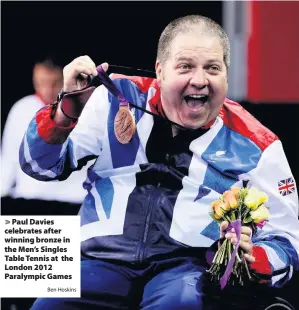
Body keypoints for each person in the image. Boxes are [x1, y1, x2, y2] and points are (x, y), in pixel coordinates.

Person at [19, 15, 299, 310]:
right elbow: (38, 166)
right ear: (160, 71)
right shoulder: (112, 99)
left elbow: (288, 239)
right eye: (186, 66)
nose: (200, 80)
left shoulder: (259, 144)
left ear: (226, 76)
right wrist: (65, 112)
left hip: (188, 272)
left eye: (212, 68)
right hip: (96, 260)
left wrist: (255, 258)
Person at [1, 58, 91, 211]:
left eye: (55, 83)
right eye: (41, 83)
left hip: (75, 201)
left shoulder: (90, 109)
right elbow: (8, 160)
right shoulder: (21, 108)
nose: (48, 90)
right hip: (29, 201)